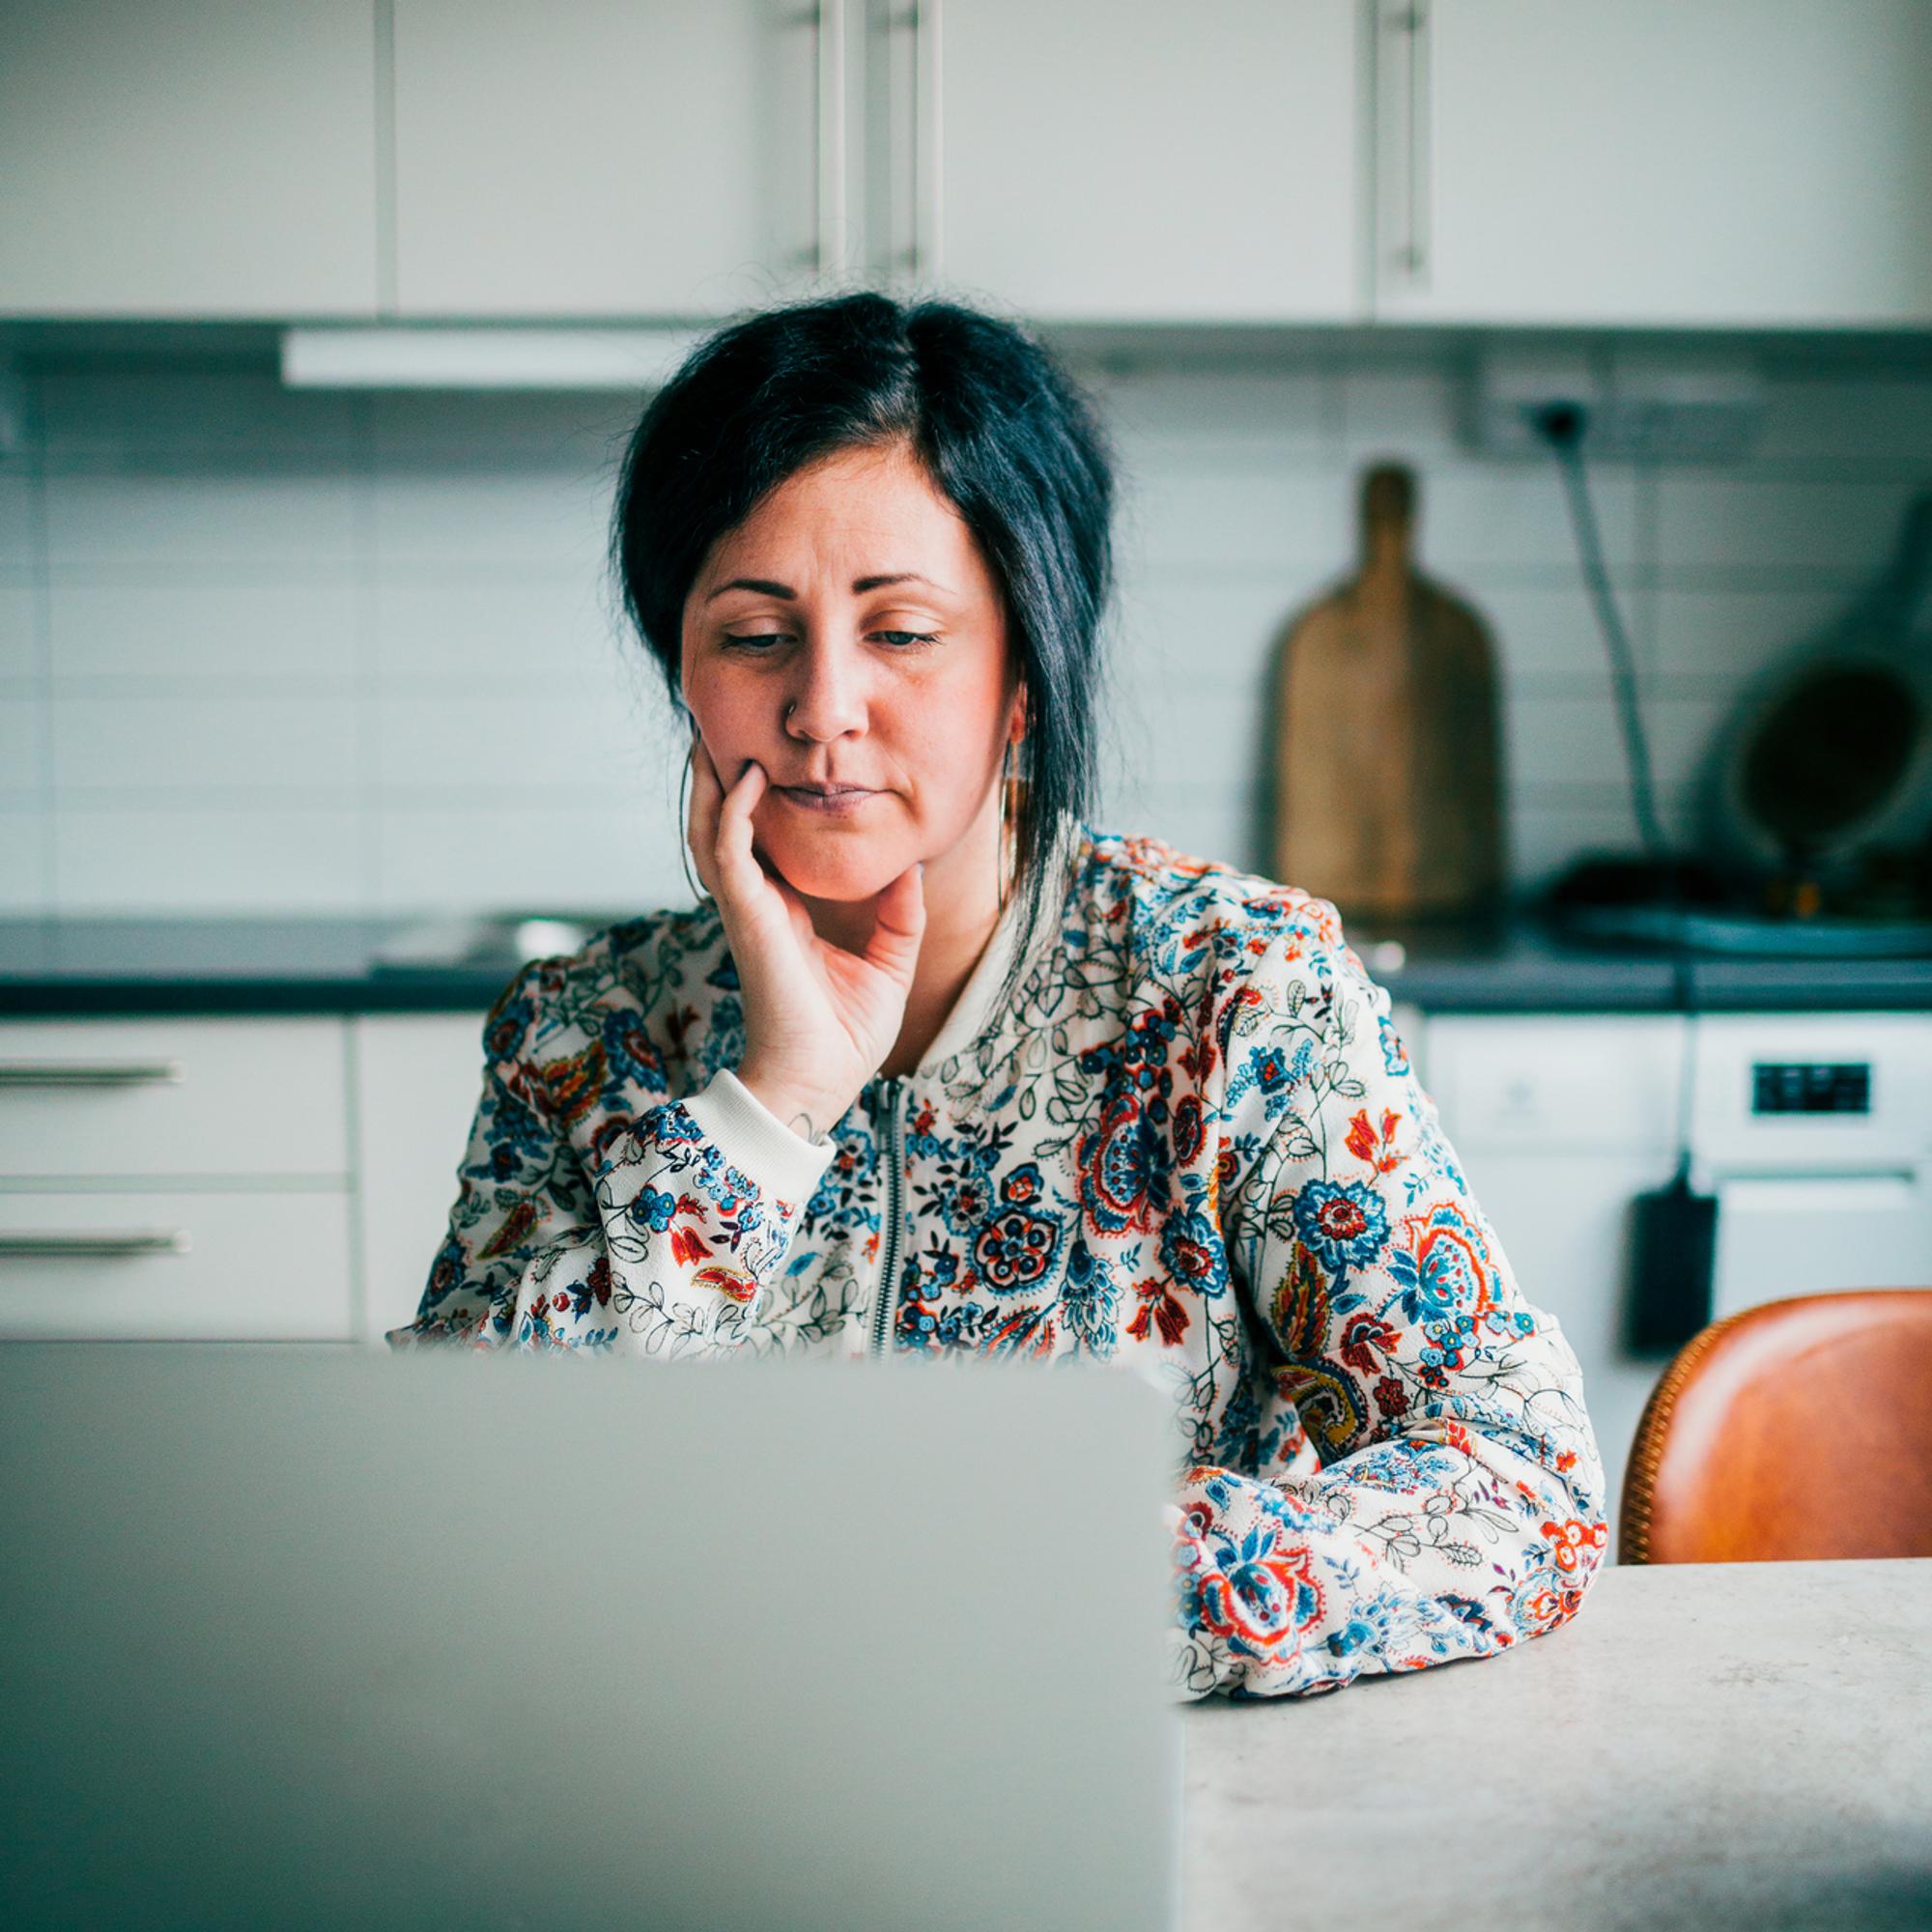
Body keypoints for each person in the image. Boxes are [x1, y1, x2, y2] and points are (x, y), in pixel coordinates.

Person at [389, 291, 1608, 1700]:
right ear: (685, 672)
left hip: (1126, 1809)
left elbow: (1518, 1475)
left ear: (1024, 674)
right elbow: (451, 1502)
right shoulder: (577, 1036)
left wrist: (1052, 1588)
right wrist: (769, 1108)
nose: (822, 708)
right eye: (753, 634)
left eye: (901, 634)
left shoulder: (1238, 996)